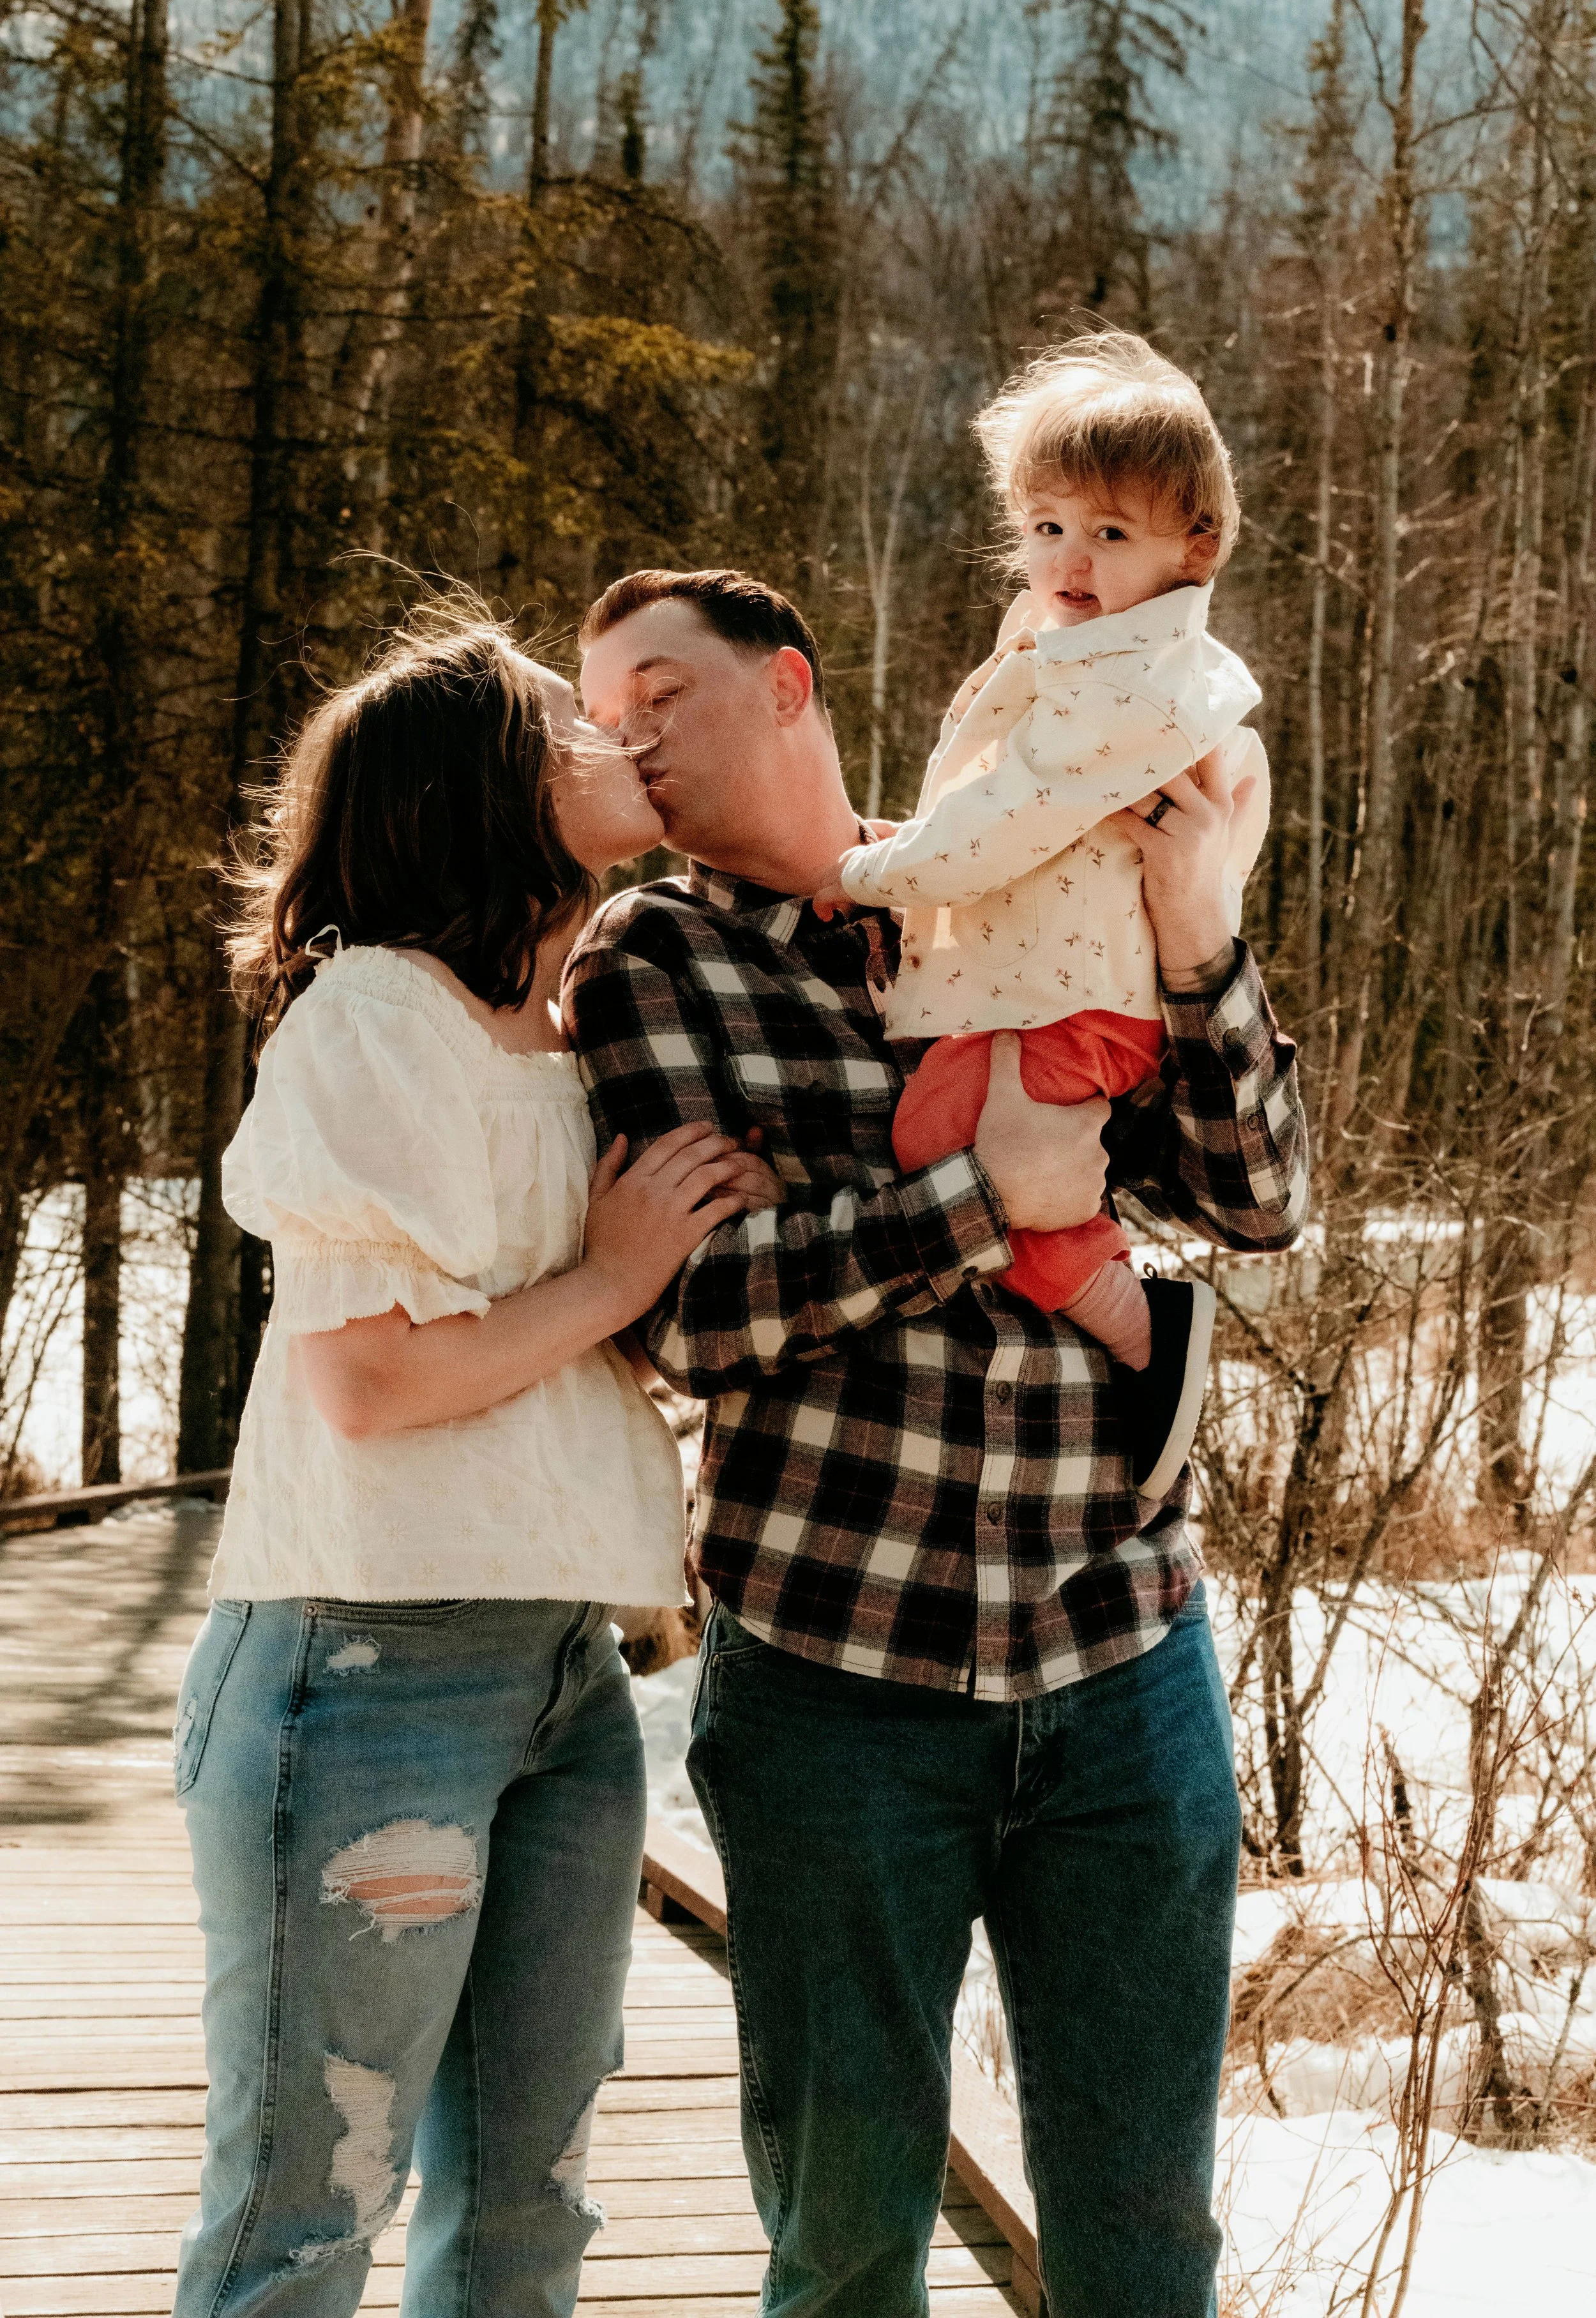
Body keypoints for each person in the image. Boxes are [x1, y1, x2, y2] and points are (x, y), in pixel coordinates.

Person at [566, 565, 1309, 2318]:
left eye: (661, 687)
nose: (630, 733)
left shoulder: (1012, 866)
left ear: (787, 688)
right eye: (603, 713)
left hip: (1120, 1662)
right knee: (842, 2248)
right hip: (838, 1688)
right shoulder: (652, 957)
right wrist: (986, 1201)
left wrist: (1197, 940)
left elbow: (1259, 1198)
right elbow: (688, 1309)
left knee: (1145, 2241)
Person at [170, 605, 778, 2315]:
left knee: (529, 2203)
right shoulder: (376, 1012)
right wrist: (607, 1279)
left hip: (558, 1680)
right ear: (486, 789)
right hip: (359, 1673)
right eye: (566, 724)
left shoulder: (577, 1029)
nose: (619, 737)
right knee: (305, 2210)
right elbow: (363, 1380)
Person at [815, 328, 1270, 1498]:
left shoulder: (1134, 686)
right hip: (1035, 979)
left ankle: (1138, 1329)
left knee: (952, 1154)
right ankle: (1116, 1316)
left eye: (1110, 534)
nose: (1071, 559)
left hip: (1073, 999)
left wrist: (873, 874)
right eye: (1047, 526)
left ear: (1196, 544)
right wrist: (903, 850)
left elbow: (1014, 819)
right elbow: (986, 804)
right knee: (949, 1143)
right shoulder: (1074, 648)